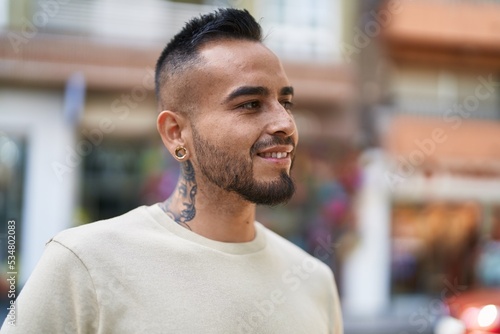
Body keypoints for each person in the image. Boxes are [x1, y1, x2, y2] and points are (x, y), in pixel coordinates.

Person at [1, 8, 343, 334]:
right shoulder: (83, 264)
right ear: (176, 133)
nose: (285, 123)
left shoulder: (314, 281)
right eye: (250, 104)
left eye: (286, 103)